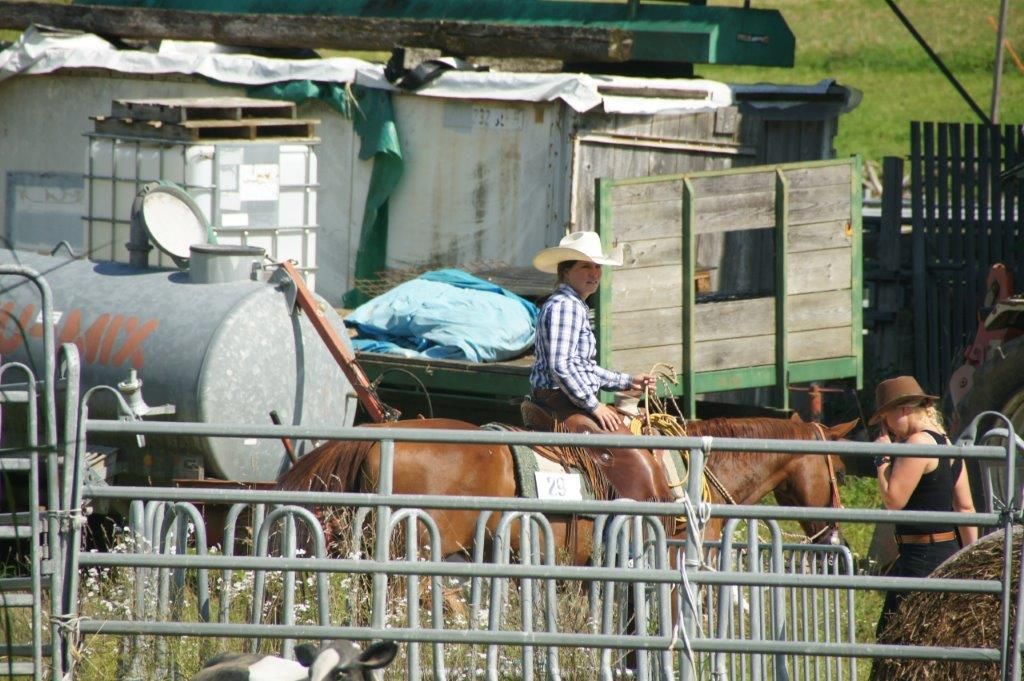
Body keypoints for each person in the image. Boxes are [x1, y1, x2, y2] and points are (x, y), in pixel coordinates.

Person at [870, 375, 977, 640]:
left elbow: (893, 500)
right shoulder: (946, 444)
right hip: (947, 553)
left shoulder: (916, 444)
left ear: (904, 410)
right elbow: (965, 508)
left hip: (919, 558)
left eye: (886, 418)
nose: (886, 427)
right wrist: (969, 559)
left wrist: (881, 458)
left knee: (896, 638)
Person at [529, 231, 653, 431]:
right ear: (566, 271)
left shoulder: (570, 304)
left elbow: (582, 367)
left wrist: (628, 381)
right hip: (560, 402)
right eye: (585, 266)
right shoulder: (567, 306)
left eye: (598, 266)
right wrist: (595, 406)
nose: (594, 273)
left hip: (565, 399)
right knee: (630, 450)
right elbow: (561, 366)